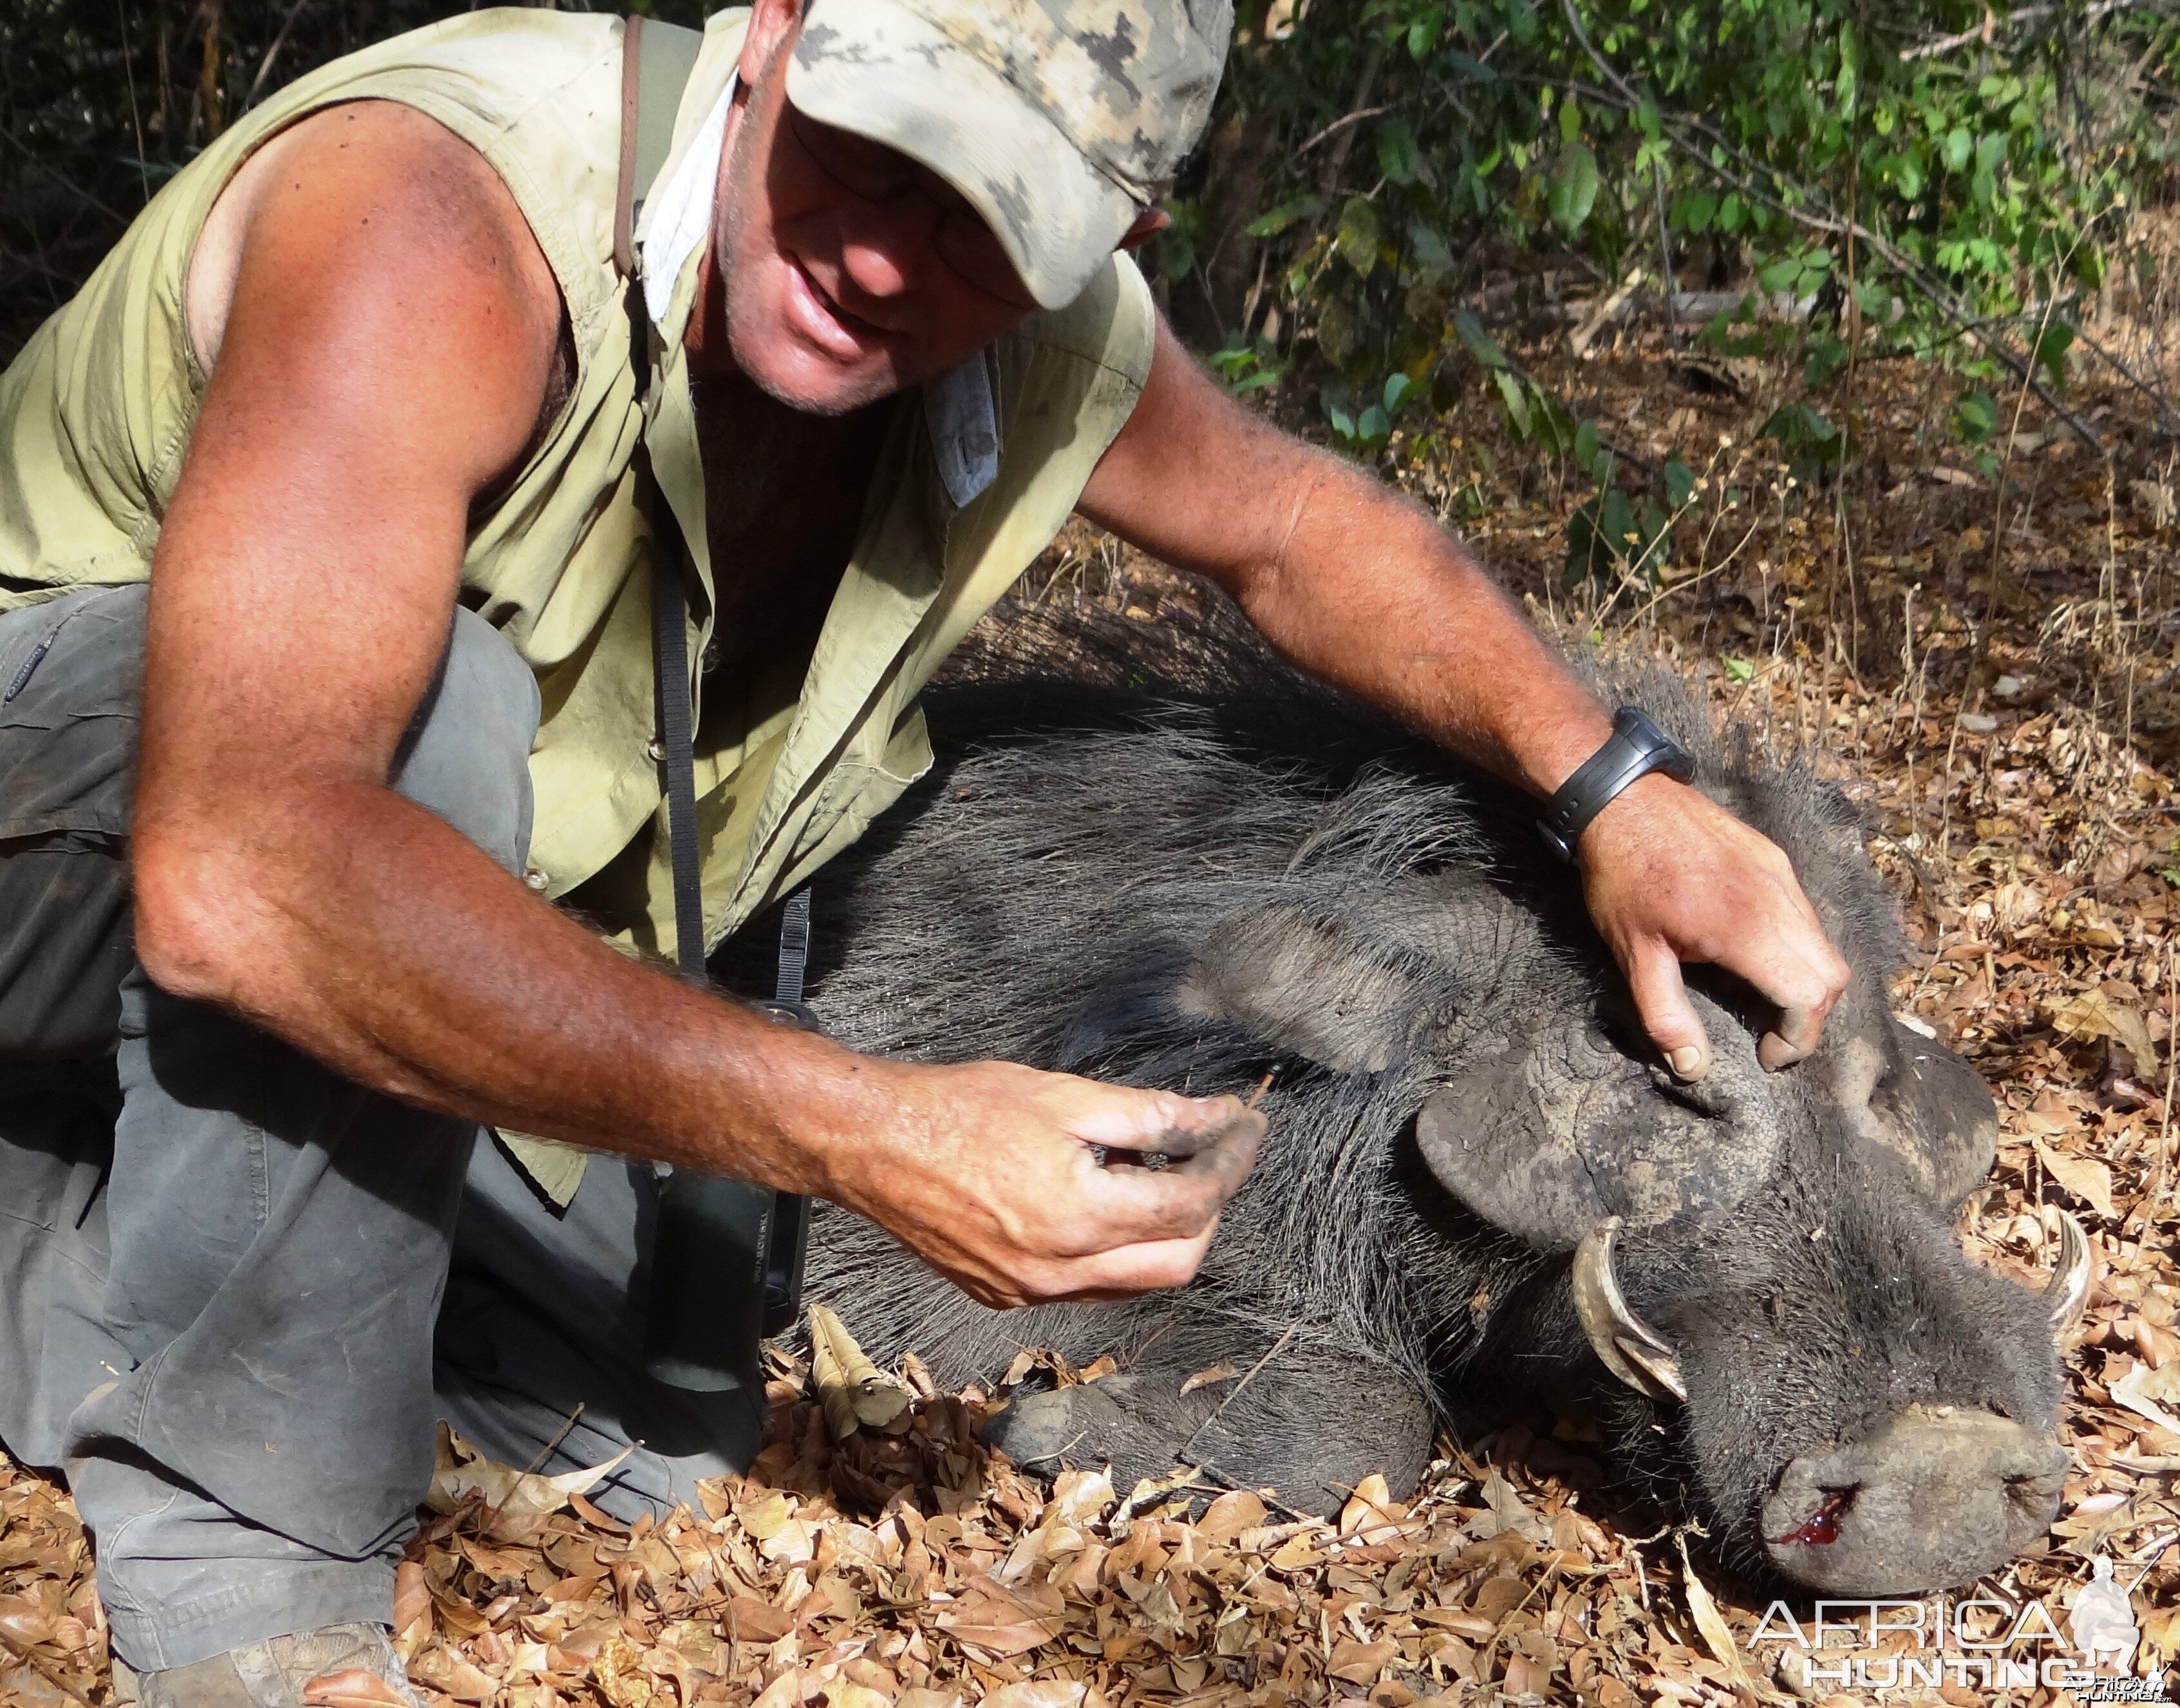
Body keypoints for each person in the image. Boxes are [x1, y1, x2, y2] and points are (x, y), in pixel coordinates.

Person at [0, 0, 1852, 1700]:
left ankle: (51, 1236)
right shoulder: (433, 216)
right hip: (96, 832)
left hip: (274, 892)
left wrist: (1616, 792)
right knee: (433, 723)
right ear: (774, 37)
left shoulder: (1042, 339)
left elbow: (1291, 527)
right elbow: (251, 868)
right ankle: (250, 1567)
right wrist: (862, 1127)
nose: (885, 255)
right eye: (866, 157)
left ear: (1104, 249)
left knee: (642, 1438)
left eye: (987, 224)